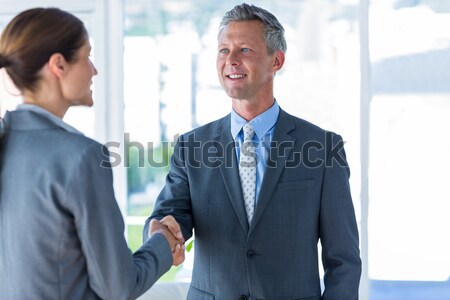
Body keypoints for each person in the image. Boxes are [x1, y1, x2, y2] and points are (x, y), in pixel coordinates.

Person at [144, 3, 362, 300]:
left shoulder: (323, 148)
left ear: (277, 61)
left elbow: (344, 260)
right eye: (223, 50)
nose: (231, 60)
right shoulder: (191, 147)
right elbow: (170, 216)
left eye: (244, 50)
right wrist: (162, 234)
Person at [0, 7, 184, 300]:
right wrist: (161, 242)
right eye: (87, 56)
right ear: (58, 65)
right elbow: (118, 287)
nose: (94, 70)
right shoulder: (80, 158)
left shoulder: (6, 140)